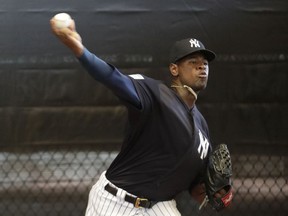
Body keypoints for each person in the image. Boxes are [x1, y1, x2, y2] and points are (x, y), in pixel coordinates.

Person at [50, 15, 223, 216]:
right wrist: (79, 50)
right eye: (193, 62)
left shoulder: (202, 127)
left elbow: (195, 185)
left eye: (205, 63)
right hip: (114, 202)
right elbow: (112, 78)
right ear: (174, 69)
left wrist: (212, 191)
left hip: (159, 206)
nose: (201, 66)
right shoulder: (154, 93)